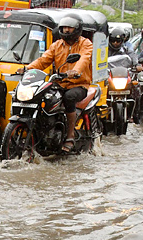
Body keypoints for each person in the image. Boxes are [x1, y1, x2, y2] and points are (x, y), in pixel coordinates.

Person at [26, 14, 97, 152]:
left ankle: (70, 136)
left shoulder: (85, 44)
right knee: (43, 97)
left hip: (79, 85)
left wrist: (75, 71)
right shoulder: (57, 45)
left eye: (69, 28)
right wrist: (27, 69)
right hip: (59, 84)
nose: (66, 30)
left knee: (69, 97)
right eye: (64, 27)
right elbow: (43, 60)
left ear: (77, 29)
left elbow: (84, 59)